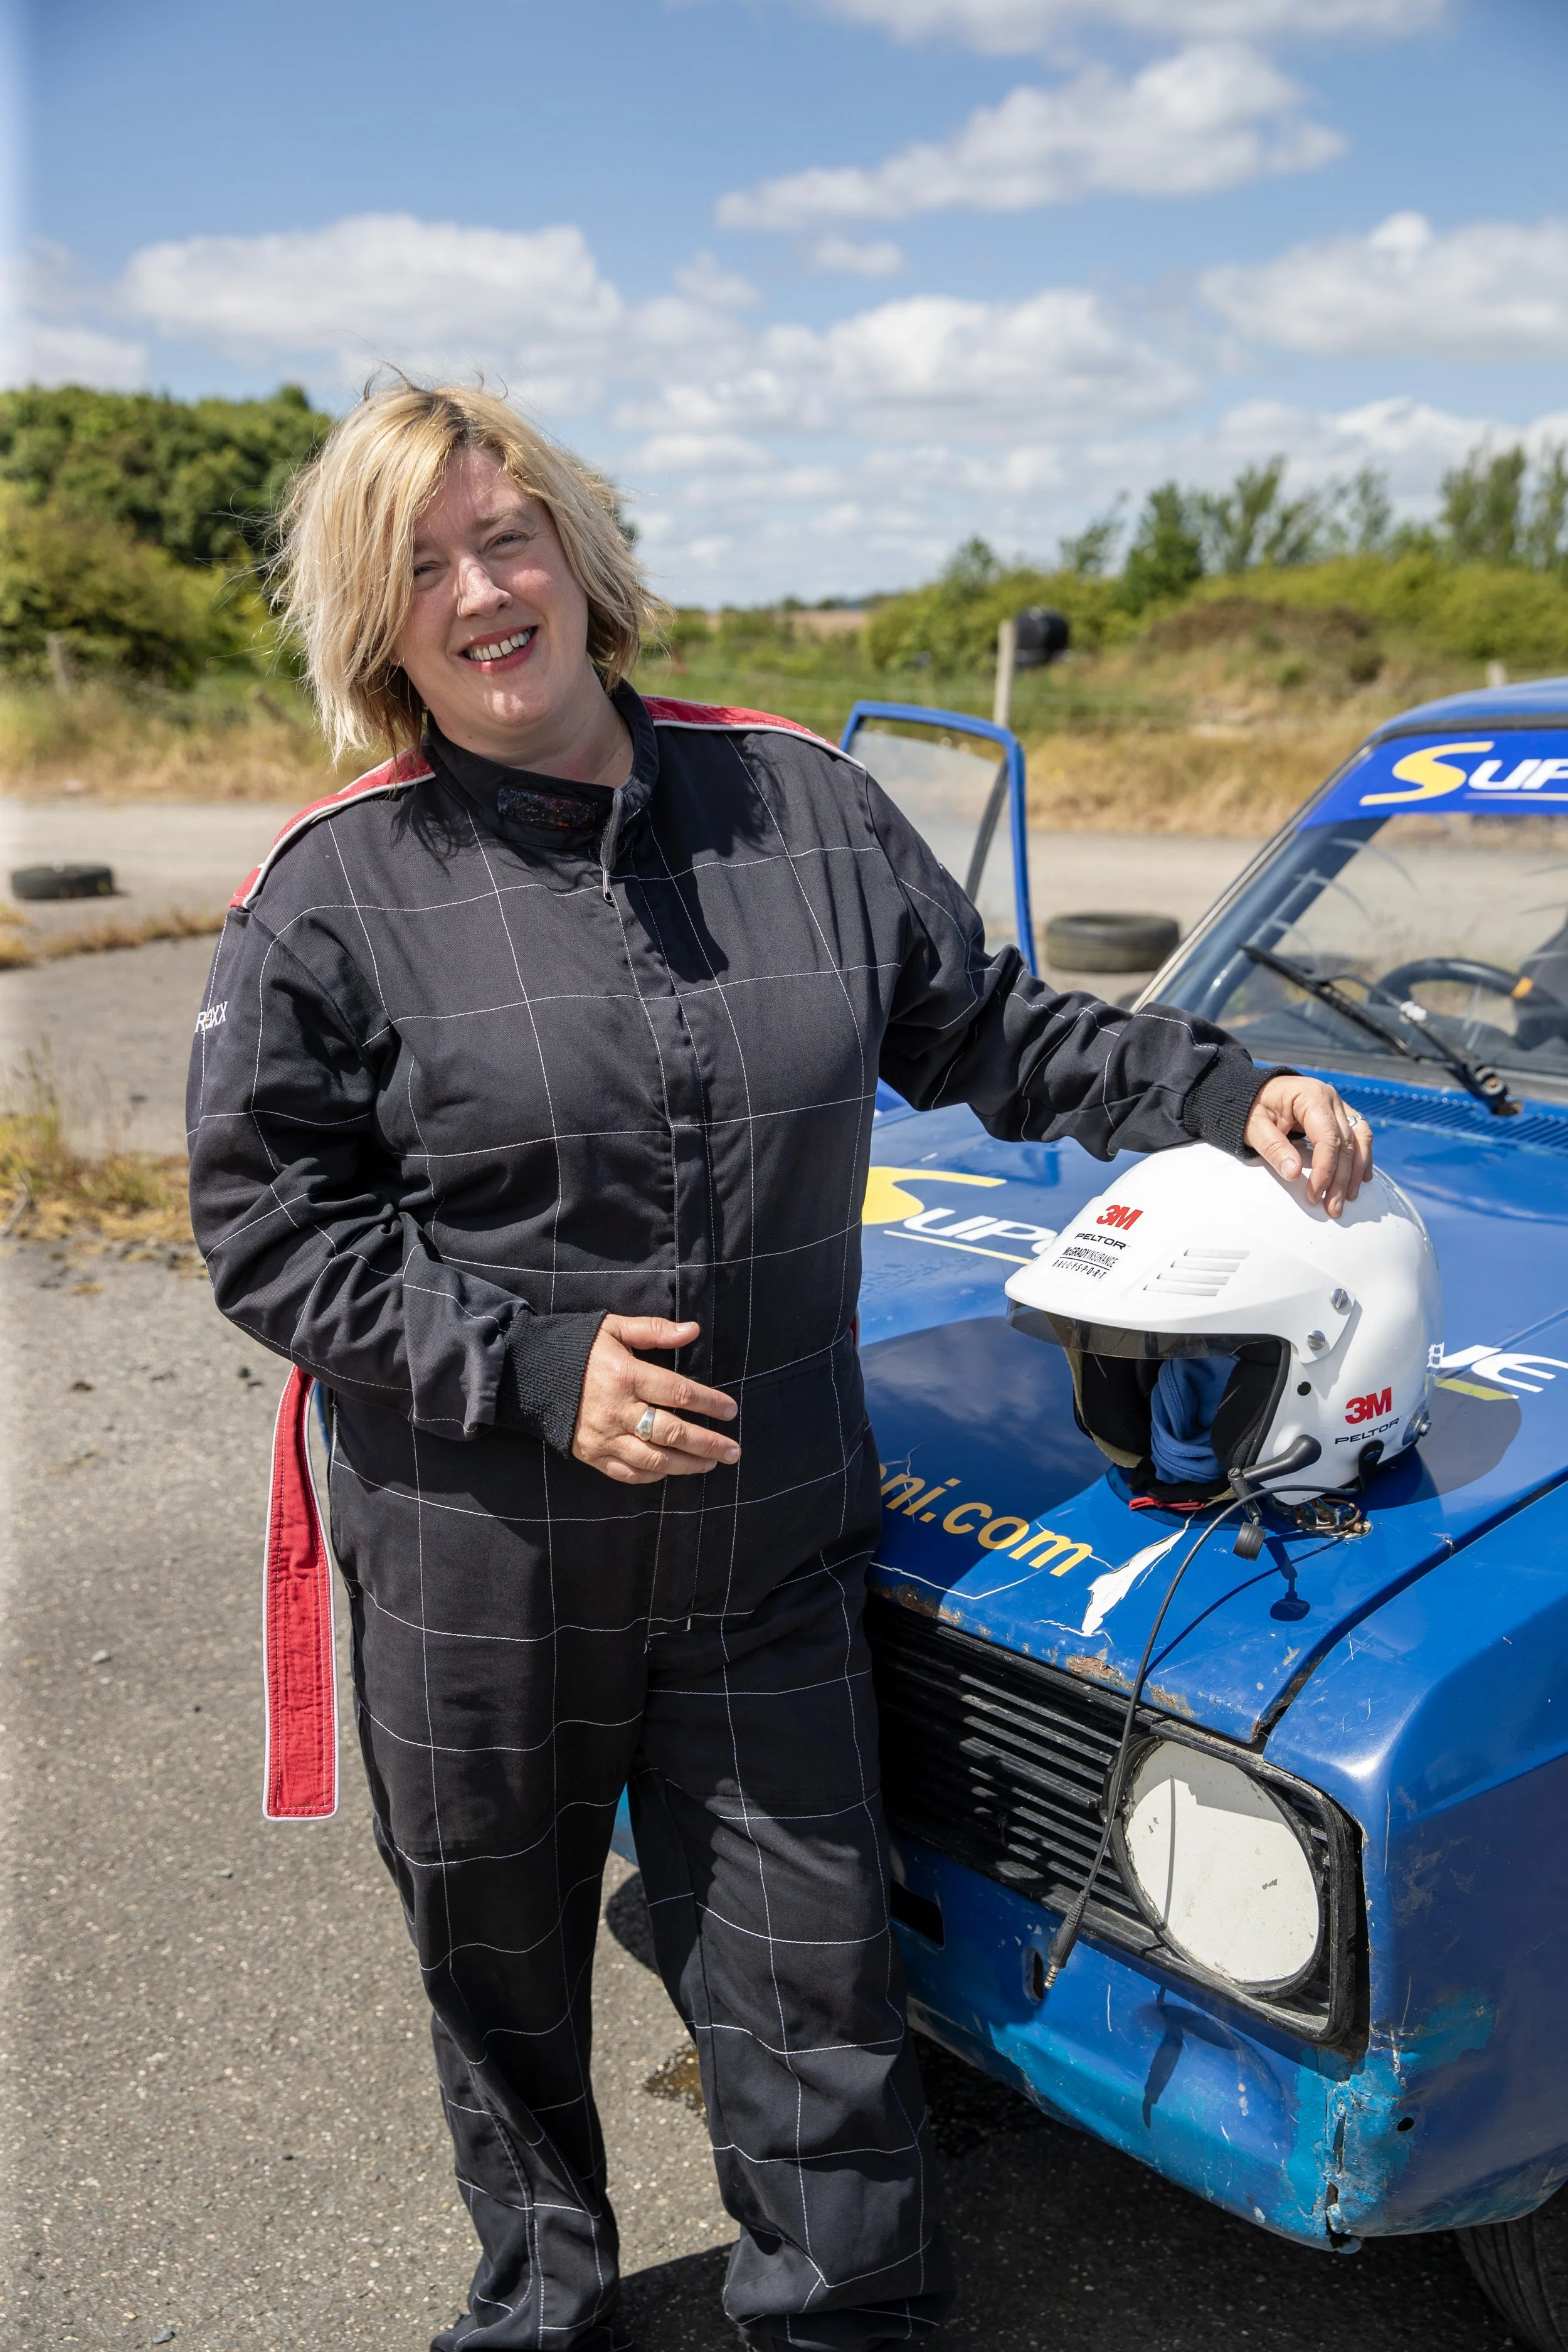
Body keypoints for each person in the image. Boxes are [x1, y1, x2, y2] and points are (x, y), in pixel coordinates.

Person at [186, 382, 1371, 2352]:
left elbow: (994, 1033)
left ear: (580, 553)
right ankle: (535, 2296)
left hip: (767, 1554)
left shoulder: (800, 804)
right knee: (502, 1993)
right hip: (477, 1572)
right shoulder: (334, 893)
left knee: (812, 1994)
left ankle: (840, 2321)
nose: (481, 592)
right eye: (420, 567)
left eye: (508, 536)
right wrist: (533, 1364)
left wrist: (1219, 1085)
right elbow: (270, 1228)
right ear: (372, 629)